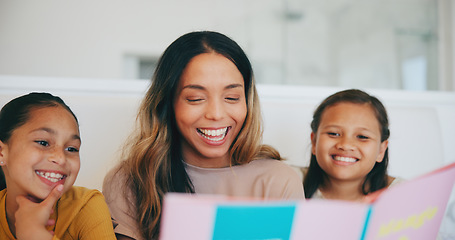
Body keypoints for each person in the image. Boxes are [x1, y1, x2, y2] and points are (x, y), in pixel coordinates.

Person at [102, 30, 304, 240]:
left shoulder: (277, 181)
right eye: (196, 98)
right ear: (166, 104)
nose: (216, 114)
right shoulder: (129, 182)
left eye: (232, 97)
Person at [0, 92, 116, 240]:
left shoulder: (86, 206)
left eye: (71, 149)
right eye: (43, 143)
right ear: (2, 153)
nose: (61, 158)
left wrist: (35, 234)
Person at [303, 89, 402, 201]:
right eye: (334, 133)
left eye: (362, 137)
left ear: (381, 150)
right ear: (314, 142)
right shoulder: (286, 182)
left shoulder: (403, 194)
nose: (345, 145)